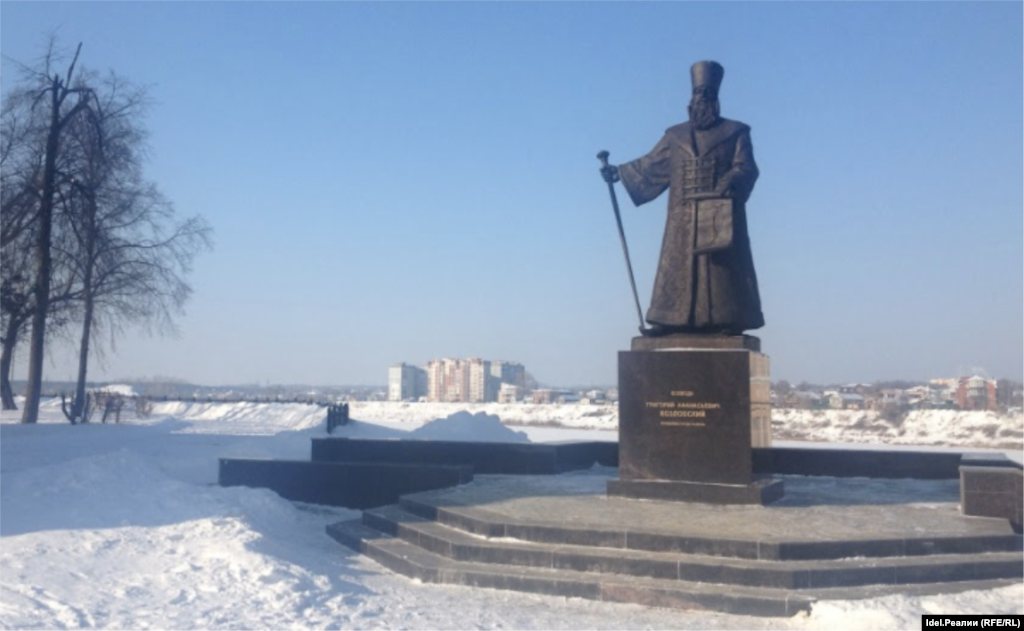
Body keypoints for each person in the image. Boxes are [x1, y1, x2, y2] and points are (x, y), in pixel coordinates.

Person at [601, 60, 764, 336]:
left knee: (721, 271)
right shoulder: (675, 136)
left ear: (716, 98)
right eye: (698, 93)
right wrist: (619, 173)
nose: (703, 98)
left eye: (708, 94)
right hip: (682, 218)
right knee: (676, 268)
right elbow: (652, 165)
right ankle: (669, 321)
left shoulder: (736, 132)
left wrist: (730, 180)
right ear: (691, 98)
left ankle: (727, 319)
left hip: (717, 212)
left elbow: (747, 167)